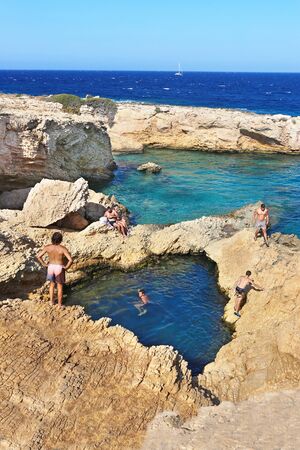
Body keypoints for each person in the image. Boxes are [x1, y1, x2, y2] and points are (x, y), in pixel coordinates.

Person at [37, 232, 73, 307]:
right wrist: (66, 267)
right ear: (61, 240)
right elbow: (70, 260)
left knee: (52, 285)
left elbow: (38, 256)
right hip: (59, 267)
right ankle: (59, 305)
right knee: (59, 287)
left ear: (52, 239)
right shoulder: (62, 249)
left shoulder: (47, 247)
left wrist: (44, 264)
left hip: (50, 267)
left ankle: (51, 302)